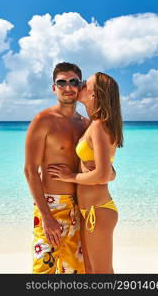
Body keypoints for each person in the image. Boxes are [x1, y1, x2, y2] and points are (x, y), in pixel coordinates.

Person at [47, 72, 123, 274]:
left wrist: (70, 177)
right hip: (90, 211)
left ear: (94, 95)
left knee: (101, 274)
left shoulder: (98, 126)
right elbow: (107, 171)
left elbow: (101, 174)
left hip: (96, 211)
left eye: (84, 84)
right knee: (91, 271)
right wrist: (108, 173)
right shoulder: (95, 125)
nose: (78, 86)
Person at [24, 62, 89, 274]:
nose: (68, 87)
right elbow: (30, 170)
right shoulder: (43, 120)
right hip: (51, 205)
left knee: (75, 272)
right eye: (62, 82)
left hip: (80, 207)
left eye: (73, 82)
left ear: (80, 87)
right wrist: (46, 216)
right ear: (54, 88)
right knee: (44, 270)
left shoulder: (86, 124)